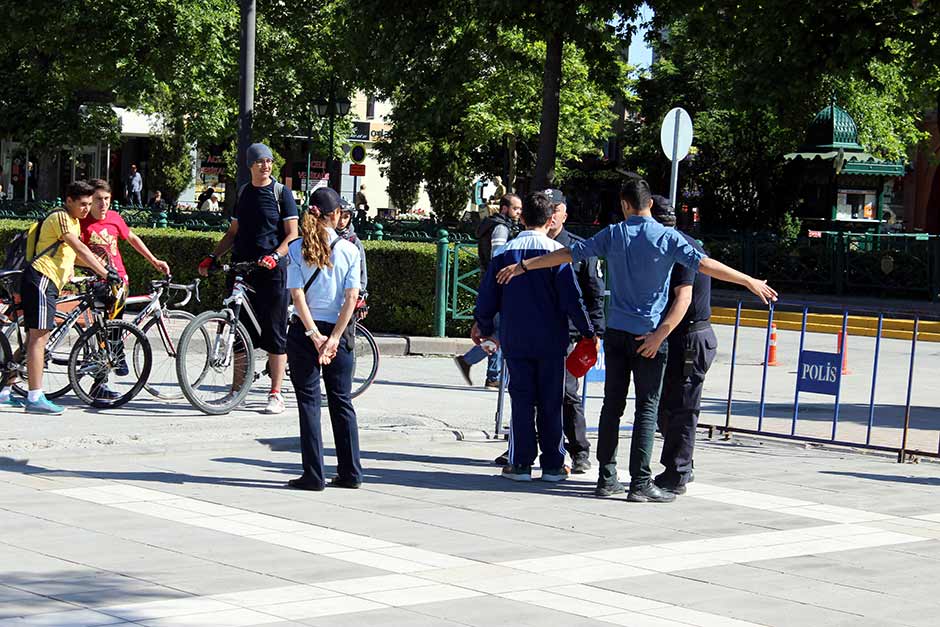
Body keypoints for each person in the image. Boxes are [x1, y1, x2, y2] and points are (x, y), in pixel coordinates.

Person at [497, 177, 777, 502]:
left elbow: (570, 254)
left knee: (611, 408)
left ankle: (606, 477)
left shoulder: (613, 234)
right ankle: (640, 483)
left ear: (624, 205)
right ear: (651, 205)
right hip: (649, 337)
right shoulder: (667, 238)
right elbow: (705, 264)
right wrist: (748, 280)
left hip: (616, 334)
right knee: (646, 408)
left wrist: (525, 265)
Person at [474, 191, 596, 482]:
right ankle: (553, 464)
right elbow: (572, 298)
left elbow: (488, 295)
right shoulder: (557, 254)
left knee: (522, 401)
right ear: (550, 218)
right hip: (552, 341)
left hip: (516, 339)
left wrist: (483, 324)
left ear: (523, 217)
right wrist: (588, 331)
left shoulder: (505, 253)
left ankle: (520, 463)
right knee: (551, 402)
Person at [198, 143, 299, 415]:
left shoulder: (282, 193)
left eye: (269, 161)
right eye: (260, 162)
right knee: (239, 332)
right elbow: (233, 233)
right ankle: (236, 391)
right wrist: (213, 256)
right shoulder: (243, 193)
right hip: (242, 268)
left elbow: (292, 235)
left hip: (273, 272)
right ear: (250, 165)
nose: (266, 166)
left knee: (276, 333)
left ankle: (276, 394)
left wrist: (275, 256)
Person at [0, 181, 118, 414]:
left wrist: (103, 269)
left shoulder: (73, 222)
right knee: (39, 338)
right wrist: (105, 273)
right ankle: (35, 397)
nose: (86, 209)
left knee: (36, 337)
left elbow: (75, 257)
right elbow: (80, 248)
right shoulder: (61, 217)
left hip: (48, 282)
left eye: (89, 204)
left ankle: (5, 390)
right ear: (69, 201)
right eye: (82, 204)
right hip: (42, 279)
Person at [285, 187, 362, 491]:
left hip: (305, 331)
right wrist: (333, 338)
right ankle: (351, 471)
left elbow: (296, 294)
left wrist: (313, 334)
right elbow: (352, 298)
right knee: (341, 401)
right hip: (338, 331)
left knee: (308, 402)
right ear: (334, 216)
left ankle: (314, 474)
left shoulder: (296, 249)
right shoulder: (350, 250)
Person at [647, 195, 715, 496]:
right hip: (680, 335)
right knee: (667, 406)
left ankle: (678, 472)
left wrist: (658, 334)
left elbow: (682, 299)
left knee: (682, 408)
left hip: (689, 337)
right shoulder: (673, 244)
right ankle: (680, 464)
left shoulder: (680, 248)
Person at [544, 188, 605, 475]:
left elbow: (594, 293)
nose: (551, 213)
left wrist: (595, 334)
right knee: (531, 391)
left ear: (564, 214)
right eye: (547, 208)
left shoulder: (580, 249)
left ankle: (579, 450)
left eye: (556, 208)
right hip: (538, 331)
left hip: (570, 334)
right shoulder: (533, 245)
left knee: (567, 393)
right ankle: (523, 444)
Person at [453, 193, 521, 388]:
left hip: (491, 281)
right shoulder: (500, 228)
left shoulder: (491, 225)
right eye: (516, 209)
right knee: (500, 329)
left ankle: (488, 372)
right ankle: (478, 367)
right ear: (505, 208)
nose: (519, 213)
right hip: (499, 282)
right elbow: (497, 257)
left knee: (497, 328)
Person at [337, 198, 368, 296]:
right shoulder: (325, 237)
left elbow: (361, 268)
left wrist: (361, 291)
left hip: (348, 290)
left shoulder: (354, 241)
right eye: (339, 217)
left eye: (346, 217)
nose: (341, 221)